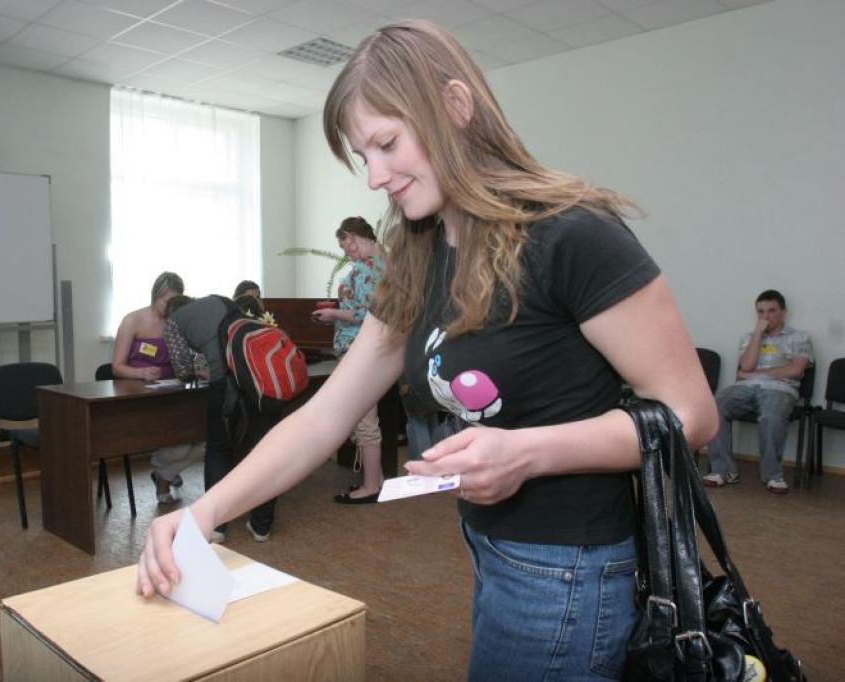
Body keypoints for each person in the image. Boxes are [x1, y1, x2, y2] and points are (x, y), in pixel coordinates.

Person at [138, 20, 717, 680]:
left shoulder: (570, 235)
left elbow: (692, 415)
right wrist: (203, 511)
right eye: (365, 157)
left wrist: (527, 452)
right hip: (495, 547)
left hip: (570, 564)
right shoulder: (420, 255)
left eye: (387, 144)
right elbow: (324, 417)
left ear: (456, 108)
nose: (377, 177)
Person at [162, 294, 279, 543]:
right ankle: (261, 526)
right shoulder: (220, 301)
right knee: (263, 449)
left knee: (218, 451)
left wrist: (196, 372)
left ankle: (216, 526)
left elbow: (182, 368)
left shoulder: (173, 322)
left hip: (225, 384)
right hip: (258, 379)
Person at [703, 289, 813, 494]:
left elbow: (796, 370)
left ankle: (772, 475)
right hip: (744, 389)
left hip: (781, 390)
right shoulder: (749, 337)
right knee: (714, 405)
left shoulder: (799, 337)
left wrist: (755, 375)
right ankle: (724, 470)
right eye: (761, 312)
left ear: (783, 312)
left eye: (771, 311)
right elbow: (745, 366)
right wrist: (758, 335)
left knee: (770, 415)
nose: (766, 317)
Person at [312, 217, 387, 503]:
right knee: (365, 416)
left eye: (346, 244)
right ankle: (375, 479)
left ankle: (370, 487)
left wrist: (334, 314)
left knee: (364, 419)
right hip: (372, 350)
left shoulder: (367, 267)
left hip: (360, 350)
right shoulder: (384, 262)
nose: (346, 251)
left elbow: (365, 314)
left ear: (354, 235)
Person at [111, 272, 200, 504]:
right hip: (139, 393)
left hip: (174, 391)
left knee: (200, 438)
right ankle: (165, 475)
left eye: (174, 302)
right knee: (180, 443)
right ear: (154, 296)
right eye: (165, 301)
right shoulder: (133, 320)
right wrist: (141, 373)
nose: (168, 307)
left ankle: (164, 473)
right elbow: (117, 367)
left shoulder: (178, 321)